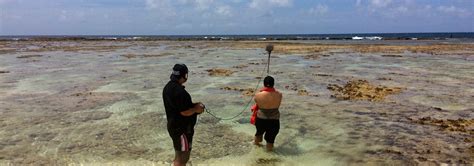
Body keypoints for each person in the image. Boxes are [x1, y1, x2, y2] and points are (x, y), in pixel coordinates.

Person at [162, 64, 205, 166]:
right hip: (181, 130)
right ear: (184, 75)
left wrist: (194, 105)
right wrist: (196, 109)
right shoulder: (180, 92)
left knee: (178, 155)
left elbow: (179, 107)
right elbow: (184, 112)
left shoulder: (168, 87)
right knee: (182, 158)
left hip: (174, 126)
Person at [252, 76, 282, 151]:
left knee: (258, 135)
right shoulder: (279, 94)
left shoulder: (258, 95)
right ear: (273, 84)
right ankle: (269, 158)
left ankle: (256, 151)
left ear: (264, 84)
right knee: (270, 141)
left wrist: (262, 91)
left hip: (261, 119)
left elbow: (257, 103)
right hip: (274, 120)